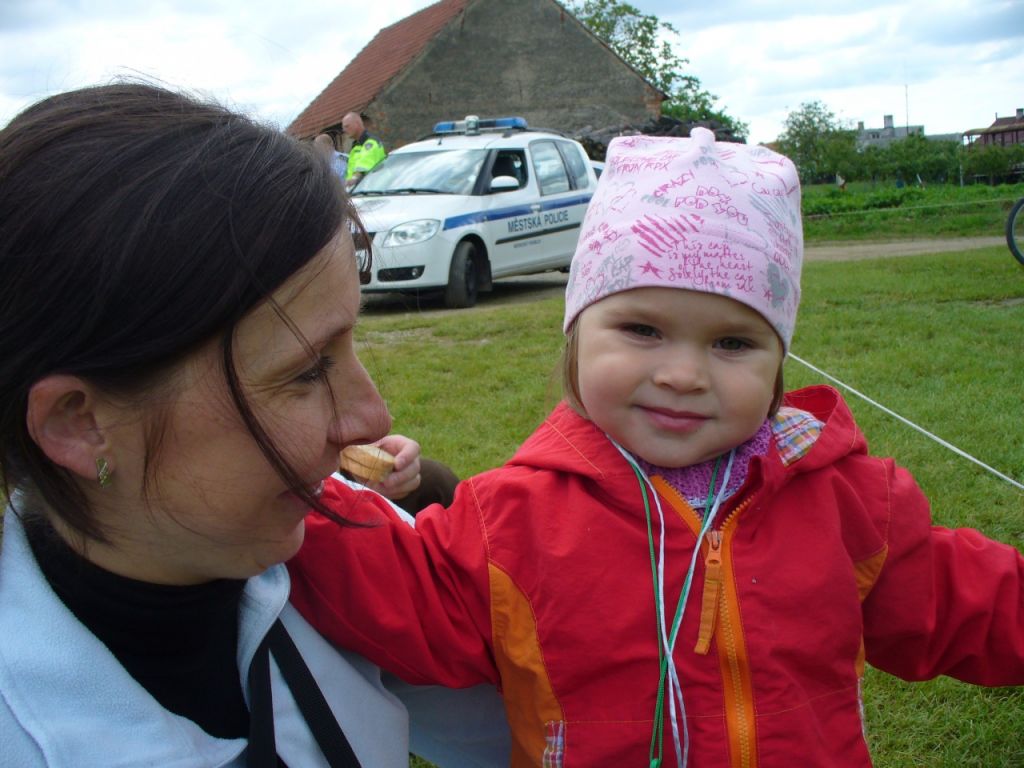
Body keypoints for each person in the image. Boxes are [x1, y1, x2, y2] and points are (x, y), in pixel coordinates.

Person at [288, 129, 1024, 767]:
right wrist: (287, 484)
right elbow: (401, 594)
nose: (682, 375)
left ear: (779, 361)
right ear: (577, 336)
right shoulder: (510, 518)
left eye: (732, 343)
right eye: (642, 330)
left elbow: (965, 605)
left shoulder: (848, 499)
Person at [0, 81, 509, 767]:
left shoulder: (343, 547)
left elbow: (554, 723)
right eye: (305, 370)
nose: (372, 417)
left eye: (349, 345)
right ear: (79, 424)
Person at [341, 111, 386, 188]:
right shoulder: (356, 146)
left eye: (347, 126)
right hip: (358, 190)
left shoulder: (371, 142)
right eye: (343, 127)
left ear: (357, 124)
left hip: (372, 188)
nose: (344, 130)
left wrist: (354, 178)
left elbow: (364, 164)